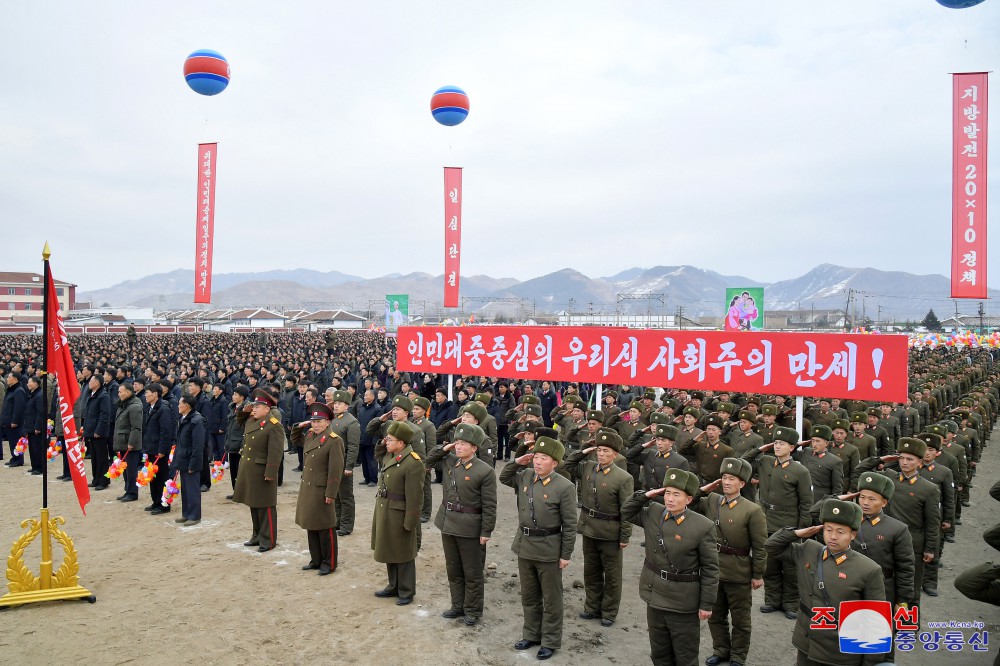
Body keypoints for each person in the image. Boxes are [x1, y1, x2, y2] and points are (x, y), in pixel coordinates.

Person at [764, 499, 887, 666]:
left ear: (853, 535)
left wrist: (870, 662)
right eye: (828, 530)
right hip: (806, 642)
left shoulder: (868, 569)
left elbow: (875, 623)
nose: (833, 536)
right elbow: (771, 546)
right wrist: (797, 533)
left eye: (840, 532)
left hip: (839, 651)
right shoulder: (809, 549)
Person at [621, 468, 720, 666]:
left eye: (677, 494)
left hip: (682, 603)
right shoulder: (654, 513)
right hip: (654, 595)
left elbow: (710, 568)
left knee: (685, 656)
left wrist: (706, 604)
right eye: (667, 493)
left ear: (689, 499)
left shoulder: (703, 526)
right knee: (659, 653)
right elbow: (626, 512)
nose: (670, 499)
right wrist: (646, 494)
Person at [499, 435, 577, 661]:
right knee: (529, 595)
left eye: (544, 458)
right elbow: (504, 477)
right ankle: (531, 634)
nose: (538, 462)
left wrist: (565, 554)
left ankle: (550, 640)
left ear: (555, 463)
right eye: (536, 457)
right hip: (525, 545)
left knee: (552, 598)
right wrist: (518, 461)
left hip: (549, 548)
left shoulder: (565, 486)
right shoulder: (525, 476)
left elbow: (570, 524)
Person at [424, 422, 498, 626]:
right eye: (457, 442)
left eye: (464, 444)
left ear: (475, 448)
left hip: (470, 527)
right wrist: (445, 447)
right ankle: (457, 605)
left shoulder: (484, 471)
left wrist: (486, 531)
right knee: (453, 569)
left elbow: (490, 505)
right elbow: (428, 459)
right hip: (448, 523)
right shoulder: (449, 461)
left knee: (472, 572)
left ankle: (473, 610)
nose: (458, 447)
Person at [694, 459, 767, 666]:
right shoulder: (712, 500)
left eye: (731, 479)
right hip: (712, 569)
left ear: (742, 484)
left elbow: (760, 546)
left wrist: (757, 574)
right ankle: (721, 650)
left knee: (740, 619)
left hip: (738, 571)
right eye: (724, 477)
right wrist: (704, 489)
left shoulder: (752, 510)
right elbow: (689, 502)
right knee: (715, 616)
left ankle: (738, 656)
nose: (726, 482)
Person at [855, 437, 941, 606]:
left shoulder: (929, 489)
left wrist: (930, 549)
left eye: (910, 459)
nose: (904, 462)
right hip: (882, 538)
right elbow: (859, 472)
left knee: (910, 591)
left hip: (912, 544)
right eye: (901, 458)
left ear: (919, 461)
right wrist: (881, 459)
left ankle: (908, 629)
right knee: (881, 585)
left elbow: (932, 522)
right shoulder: (889, 478)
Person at [561, 429, 633, 627]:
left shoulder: (623, 477)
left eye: (606, 451)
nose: (601, 454)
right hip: (589, 528)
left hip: (610, 532)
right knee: (591, 571)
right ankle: (592, 606)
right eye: (599, 450)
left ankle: (609, 611)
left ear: (615, 454)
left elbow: (627, 510)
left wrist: (625, 536)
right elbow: (568, 464)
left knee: (611, 574)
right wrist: (584, 450)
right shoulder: (588, 467)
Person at [741, 426, 814, 619]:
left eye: (782, 444)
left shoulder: (800, 471)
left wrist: (803, 528)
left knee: (790, 566)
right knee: (769, 565)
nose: (778, 446)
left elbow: (806, 502)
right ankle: (772, 600)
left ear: (792, 447)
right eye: (776, 442)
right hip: (766, 521)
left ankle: (790, 603)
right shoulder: (765, 462)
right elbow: (742, 463)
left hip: (789, 523)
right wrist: (760, 448)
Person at [371, 420, 424, 605]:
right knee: (388, 548)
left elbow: (415, 496)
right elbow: (378, 454)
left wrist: (411, 521)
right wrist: (383, 442)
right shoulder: (391, 455)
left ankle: (406, 591)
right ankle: (393, 585)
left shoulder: (412, 462)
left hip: (400, 512)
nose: (386, 442)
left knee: (403, 553)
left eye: (390, 439)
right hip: (385, 509)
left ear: (401, 442)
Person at [291, 402, 345, 575]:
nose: (315, 424)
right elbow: (294, 440)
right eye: (313, 421)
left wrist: (331, 493)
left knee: (325, 527)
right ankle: (316, 559)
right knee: (311, 524)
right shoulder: (310, 436)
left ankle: (329, 563)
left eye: (319, 421)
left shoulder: (334, 440)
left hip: (322, 489)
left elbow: (335, 470)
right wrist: (299, 427)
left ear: (328, 422)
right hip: (309, 487)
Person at [233, 389, 285, 552]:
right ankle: (256, 536)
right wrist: (244, 410)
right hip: (250, 469)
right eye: (253, 406)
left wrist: (270, 473)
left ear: (267, 409)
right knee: (253, 504)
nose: (254, 409)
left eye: (257, 407)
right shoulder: (251, 420)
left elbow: (275, 453)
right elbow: (238, 421)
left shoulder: (274, 426)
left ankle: (268, 540)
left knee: (265, 506)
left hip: (262, 471)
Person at [328, 390, 361, 536]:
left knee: (346, 496)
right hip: (333, 462)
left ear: (347, 406)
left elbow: (354, 446)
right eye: (335, 403)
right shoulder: (334, 419)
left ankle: (347, 525)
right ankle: (337, 521)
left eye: (339, 403)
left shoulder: (351, 422)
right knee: (335, 493)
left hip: (344, 461)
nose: (336, 406)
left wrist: (349, 466)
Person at [172, 395, 206, 526]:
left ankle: (194, 515)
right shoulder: (183, 418)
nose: (178, 406)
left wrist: (194, 464)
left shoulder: (196, 421)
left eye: (180, 403)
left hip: (191, 459)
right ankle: (186, 513)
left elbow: (198, 446)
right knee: (185, 489)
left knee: (192, 489)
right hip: (183, 457)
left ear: (187, 406)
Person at [626, 423, 690, 491]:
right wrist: (643, 446)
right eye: (657, 439)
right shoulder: (650, 454)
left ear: (671, 443)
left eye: (663, 440)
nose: (659, 443)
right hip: (646, 496)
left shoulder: (680, 461)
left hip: (663, 499)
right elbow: (630, 456)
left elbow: (682, 488)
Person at [142, 383, 174, 515]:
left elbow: (165, 431)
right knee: (152, 476)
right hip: (151, 447)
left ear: (155, 394)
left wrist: (162, 450)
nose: (145, 395)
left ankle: (164, 504)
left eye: (147, 393)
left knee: (161, 477)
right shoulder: (151, 407)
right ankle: (155, 501)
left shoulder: (163, 408)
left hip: (159, 450)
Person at [112, 383, 143, 502]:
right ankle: (128, 490)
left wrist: (132, 443)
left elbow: (136, 427)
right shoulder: (124, 405)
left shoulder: (134, 406)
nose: (118, 394)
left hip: (130, 444)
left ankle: (132, 493)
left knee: (131, 470)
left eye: (120, 392)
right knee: (125, 469)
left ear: (128, 392)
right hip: (123, 442)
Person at [82, 374, 112, 490]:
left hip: (99, 432)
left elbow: (104, 415)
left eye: (91, 381)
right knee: (94, 457)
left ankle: (103, 481)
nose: (89, 383)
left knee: (102, 457)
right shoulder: (92, 395)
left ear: (98, 383)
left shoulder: (103, 396)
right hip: (91, 431)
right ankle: (96, 479)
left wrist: (99, 430)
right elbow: (89, 414)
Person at [223, 385, 250, 499]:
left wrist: (243, 444)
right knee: (233, 470)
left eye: (235, 395)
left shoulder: (247, 410)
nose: (233, 396)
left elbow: (247, 429)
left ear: (242, 397)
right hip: (231, 442)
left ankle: (243, 493)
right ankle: (236, 492)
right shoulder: (233, 407)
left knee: (241, 470)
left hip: (239, 443)